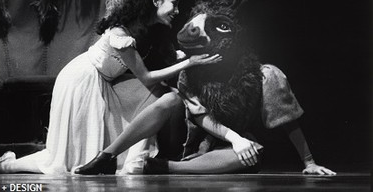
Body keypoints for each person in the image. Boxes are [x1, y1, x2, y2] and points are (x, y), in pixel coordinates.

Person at [0, 0, 222, 174]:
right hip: (83, 80)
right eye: (174, 4)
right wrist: (190, 63)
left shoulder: (145, 30)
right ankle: (5, 166)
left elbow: (151, 69)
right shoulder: (121, 35)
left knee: (160, 95)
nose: (177, 11)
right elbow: (146, 77)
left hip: (105, 81)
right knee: (66, 160)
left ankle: (135, 160)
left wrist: (181, 58)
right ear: (157, 1)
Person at [75, 65, 337, 175]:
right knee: (170, 100)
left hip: (219, 151)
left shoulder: (262, 74)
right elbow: (200, 117)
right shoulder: (193, 72)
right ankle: (106, 157)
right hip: (187, 137)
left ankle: (158, 168)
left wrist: (309, 162)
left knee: (252, 152)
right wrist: (233, 137)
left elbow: (285, 116)